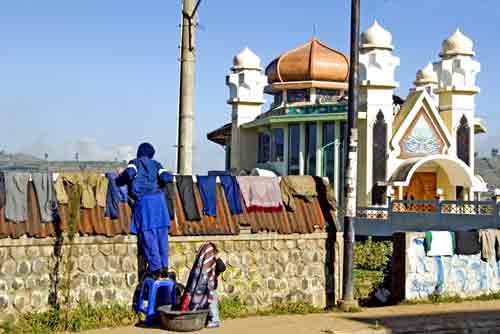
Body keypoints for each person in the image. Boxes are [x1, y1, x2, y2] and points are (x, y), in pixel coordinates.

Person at [116, 142, 173, 279]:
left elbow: (129, 174)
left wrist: (120, 177)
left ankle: (156, 269)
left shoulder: (134, 163)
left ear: (139, 152)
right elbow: (167, 177)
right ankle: (164, 267)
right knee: (162, 237)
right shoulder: (157, 165)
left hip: (145, 203)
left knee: (148, 237)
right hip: (160, 204)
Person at [207, 247, 226, 328]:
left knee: (213, 304)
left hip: (212, 286)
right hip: (206, 286)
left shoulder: (216, 261)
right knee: (208, 304)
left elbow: (222, 268)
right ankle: (210, 319)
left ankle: (215, 320)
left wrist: (217, 258)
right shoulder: (207, 261)